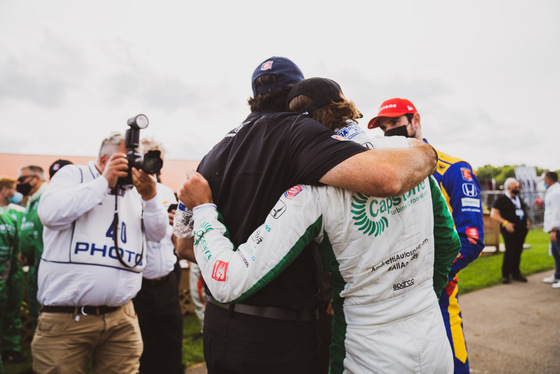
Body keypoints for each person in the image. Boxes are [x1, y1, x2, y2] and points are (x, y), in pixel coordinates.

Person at [179, 77, 461, 373]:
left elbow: (228, 282)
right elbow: (447, 244)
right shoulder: (408, 156)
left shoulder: (310, 192)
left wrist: (204, 209)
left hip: (366, 352)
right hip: (433, 344)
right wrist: (418, 299)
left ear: (297, 125)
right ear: (345, 104)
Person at [31, 132, 169, 373]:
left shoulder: (135, 192)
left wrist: (150, 196)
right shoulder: (74, 175)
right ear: (106, 160)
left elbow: (156, 234)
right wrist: (104, 182)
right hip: (67, 320)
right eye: (130, 159)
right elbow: (50, 214)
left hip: (122, 318)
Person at [368, 98, 485, 374]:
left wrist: (423, 278)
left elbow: (470, 239)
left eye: (395, 123)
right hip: (390, 303)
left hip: (437, 297)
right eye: (384, 127)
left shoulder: (454, 170)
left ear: (415, 120)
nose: (389, 132)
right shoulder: (380, 176)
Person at [132, 137, 185, 374]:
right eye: (149, 157)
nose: (154, 163)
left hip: (167, 280)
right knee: (143, 348)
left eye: (158, 158)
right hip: (137, 284)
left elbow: (175, 234)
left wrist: (177, 225)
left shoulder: (165, 192)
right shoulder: (125, 193)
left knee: (171, 341)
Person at [17, 165, 47, 329]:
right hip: (32, 262)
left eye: (22, 179)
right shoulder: (31, 200)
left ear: (36, 178)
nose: (19, 183)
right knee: (34, 307)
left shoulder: (46, 197)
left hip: (44, 264)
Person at [0, 177, 26, 371]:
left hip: (13, 272)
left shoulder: (17, 213)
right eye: (11, 189)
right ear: (3, 190)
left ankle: (12, 348)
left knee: (13, 311)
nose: (15, 193)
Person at [490, 178, 530, 284]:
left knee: (518, 251)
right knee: (510, 251)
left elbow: (523, 211)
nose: (517, 189)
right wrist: (505, 223)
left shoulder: (519, 199)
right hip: (509, 229)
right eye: (515, 187)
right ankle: (505, 275)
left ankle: (516, 273)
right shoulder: (501, 200)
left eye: (518, 187)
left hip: (521, 229)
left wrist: (527, 221)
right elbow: (494, 214)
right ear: (508, 188)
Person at [542, 171, 560, 287]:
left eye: (544, 179)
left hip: (557, 228)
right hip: (554, 228)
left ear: (548, 180)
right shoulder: (552, 191)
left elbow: (557, 212)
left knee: (559, 252)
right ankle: (557, 275)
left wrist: (554, 229)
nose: (543, 182)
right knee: (555, 253)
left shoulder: (555, 193)